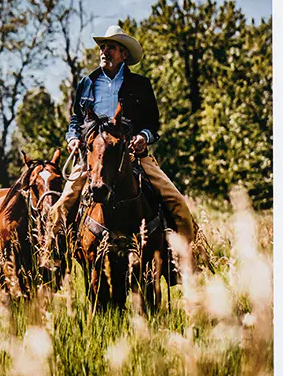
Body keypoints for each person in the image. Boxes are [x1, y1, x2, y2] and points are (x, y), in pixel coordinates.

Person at [51, 26, 196, 260]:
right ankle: (53, 260)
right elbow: (76, 119)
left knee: (178, 203)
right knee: (60, 206)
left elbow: (153, 123)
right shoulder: (87, 83)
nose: (104, 51)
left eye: (111, 47)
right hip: (93, 157)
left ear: (124, 54)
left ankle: (188, 262)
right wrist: (73, 138)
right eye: (103, 47)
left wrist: (143, 137)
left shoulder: (141, 84)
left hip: (133, 156)